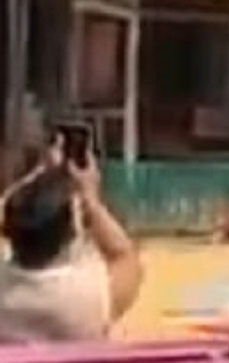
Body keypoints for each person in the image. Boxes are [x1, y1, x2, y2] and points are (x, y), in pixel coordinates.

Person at [0, 142, 142, 343]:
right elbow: (124, 255)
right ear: (72, 233)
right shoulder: (91, 296)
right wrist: (91, 200)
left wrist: (36, 176)